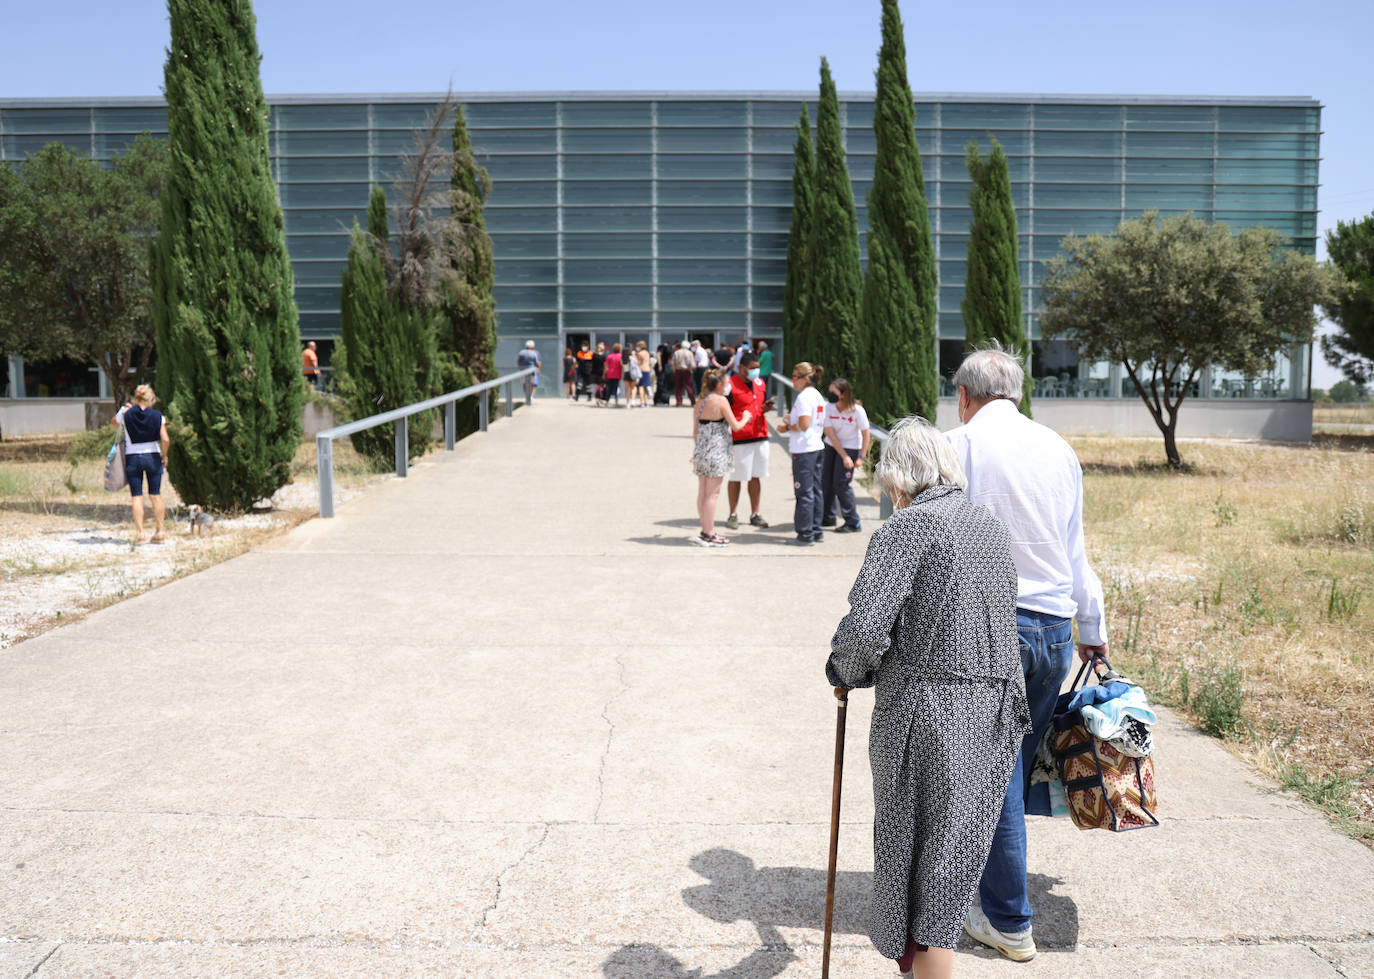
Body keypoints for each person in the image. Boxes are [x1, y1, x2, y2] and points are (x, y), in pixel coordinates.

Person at [826, 416, 1030, 979]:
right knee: (949, 862)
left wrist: (843, 671)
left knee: (916, 866)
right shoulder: (986, 525)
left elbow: (866, 628)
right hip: (991, 716)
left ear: (895, 480)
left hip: (925, 716)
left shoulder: (905, 530)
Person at [944, 344, 1109, 963]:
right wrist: (1091, 622)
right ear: (1015, 392)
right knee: (1008, 763)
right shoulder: (1057, 449)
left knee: (995, 773)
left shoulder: (957, 447)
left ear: (964, 396)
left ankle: (1008, 920)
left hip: (992, 625)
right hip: (1055, 628)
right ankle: (993, 894)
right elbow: (1076, 548)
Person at [690, 370, 751, 547]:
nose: (727, 386)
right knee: (712, 494)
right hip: (717, 453)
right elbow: (736, 426)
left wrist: (698, 450)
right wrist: (746, 417)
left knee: (702, 492)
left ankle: (705, 530)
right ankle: (709, 533)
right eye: (725, 383)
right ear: (718, 385)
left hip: (701, 452)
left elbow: (695, 431)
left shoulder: (700, 402)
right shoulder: (721, 401)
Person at [774, 362, 827, 546]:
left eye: (795, 376)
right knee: (815, 491)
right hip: (816, 446)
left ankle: (805, 534)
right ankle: (816, 530)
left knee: (804, 492)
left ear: (805, 378)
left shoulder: (804, 397)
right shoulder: (817, 395)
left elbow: (804, 425)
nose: (793, 380)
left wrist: (786, 427)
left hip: (805, 450)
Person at [112, 384, 171, 545]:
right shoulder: (158, 415)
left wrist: (127, 410)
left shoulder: (126, 413)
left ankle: (140, 534)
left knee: (136, 496)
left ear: (135, 398)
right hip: (152, 455)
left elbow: (114, 423)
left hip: (133, 457)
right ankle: (159, 532)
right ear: (151, 398)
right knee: (155, 495)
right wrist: (164, 456)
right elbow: (165, 439)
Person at [724, 351, 772, 531]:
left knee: (756, 476)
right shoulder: (730, 385)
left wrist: (765, 409)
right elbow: (724, 410)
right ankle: (733, 514)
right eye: (752, 369)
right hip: (739, 438)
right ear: (741, 368)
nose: (756, 372)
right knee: (736, 476)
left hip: (760, 434)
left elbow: (760, 405)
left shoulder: (760, 383)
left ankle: (755, 513)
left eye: (758, 368)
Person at [821, 378, 871, 534]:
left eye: (833, 391)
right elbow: (829, 433)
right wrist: (843, 456)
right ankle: (828, 517)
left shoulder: (857, 410)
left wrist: (861, 457)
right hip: (831, 445)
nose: (830, 394)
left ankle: (853, 521)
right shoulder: (828, 408)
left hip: (851, 447)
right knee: (826, 483)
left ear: (843, 394)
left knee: (841, 484)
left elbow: (866, 434)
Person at [672, 341, 696, 407]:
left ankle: (679, 402)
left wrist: (674, 370)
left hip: (678, 370)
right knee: (689, 386)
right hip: (687, 370)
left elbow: (673, 363)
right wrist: (691, 370)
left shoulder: (676, 352)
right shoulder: (689, 353)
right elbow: (693, 364)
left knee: (678, 387)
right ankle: (693, 402)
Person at [635, 342, 654, 407]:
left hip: (642, 370)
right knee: (646, 387)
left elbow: (638, 362)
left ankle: (642, 402)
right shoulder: (647, 353)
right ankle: (646, 402)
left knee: (641, 387)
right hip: (647, 370)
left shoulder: (640, 353)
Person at [623, 341, 641, 407]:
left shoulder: (623, 356)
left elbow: (622, 365)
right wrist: (634, 355)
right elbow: (637, 363)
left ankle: (627, 403)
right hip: (633, 373)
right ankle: (633, 401)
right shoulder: (633, 356)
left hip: (626, 373)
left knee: (627, 389)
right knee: (633, 388)